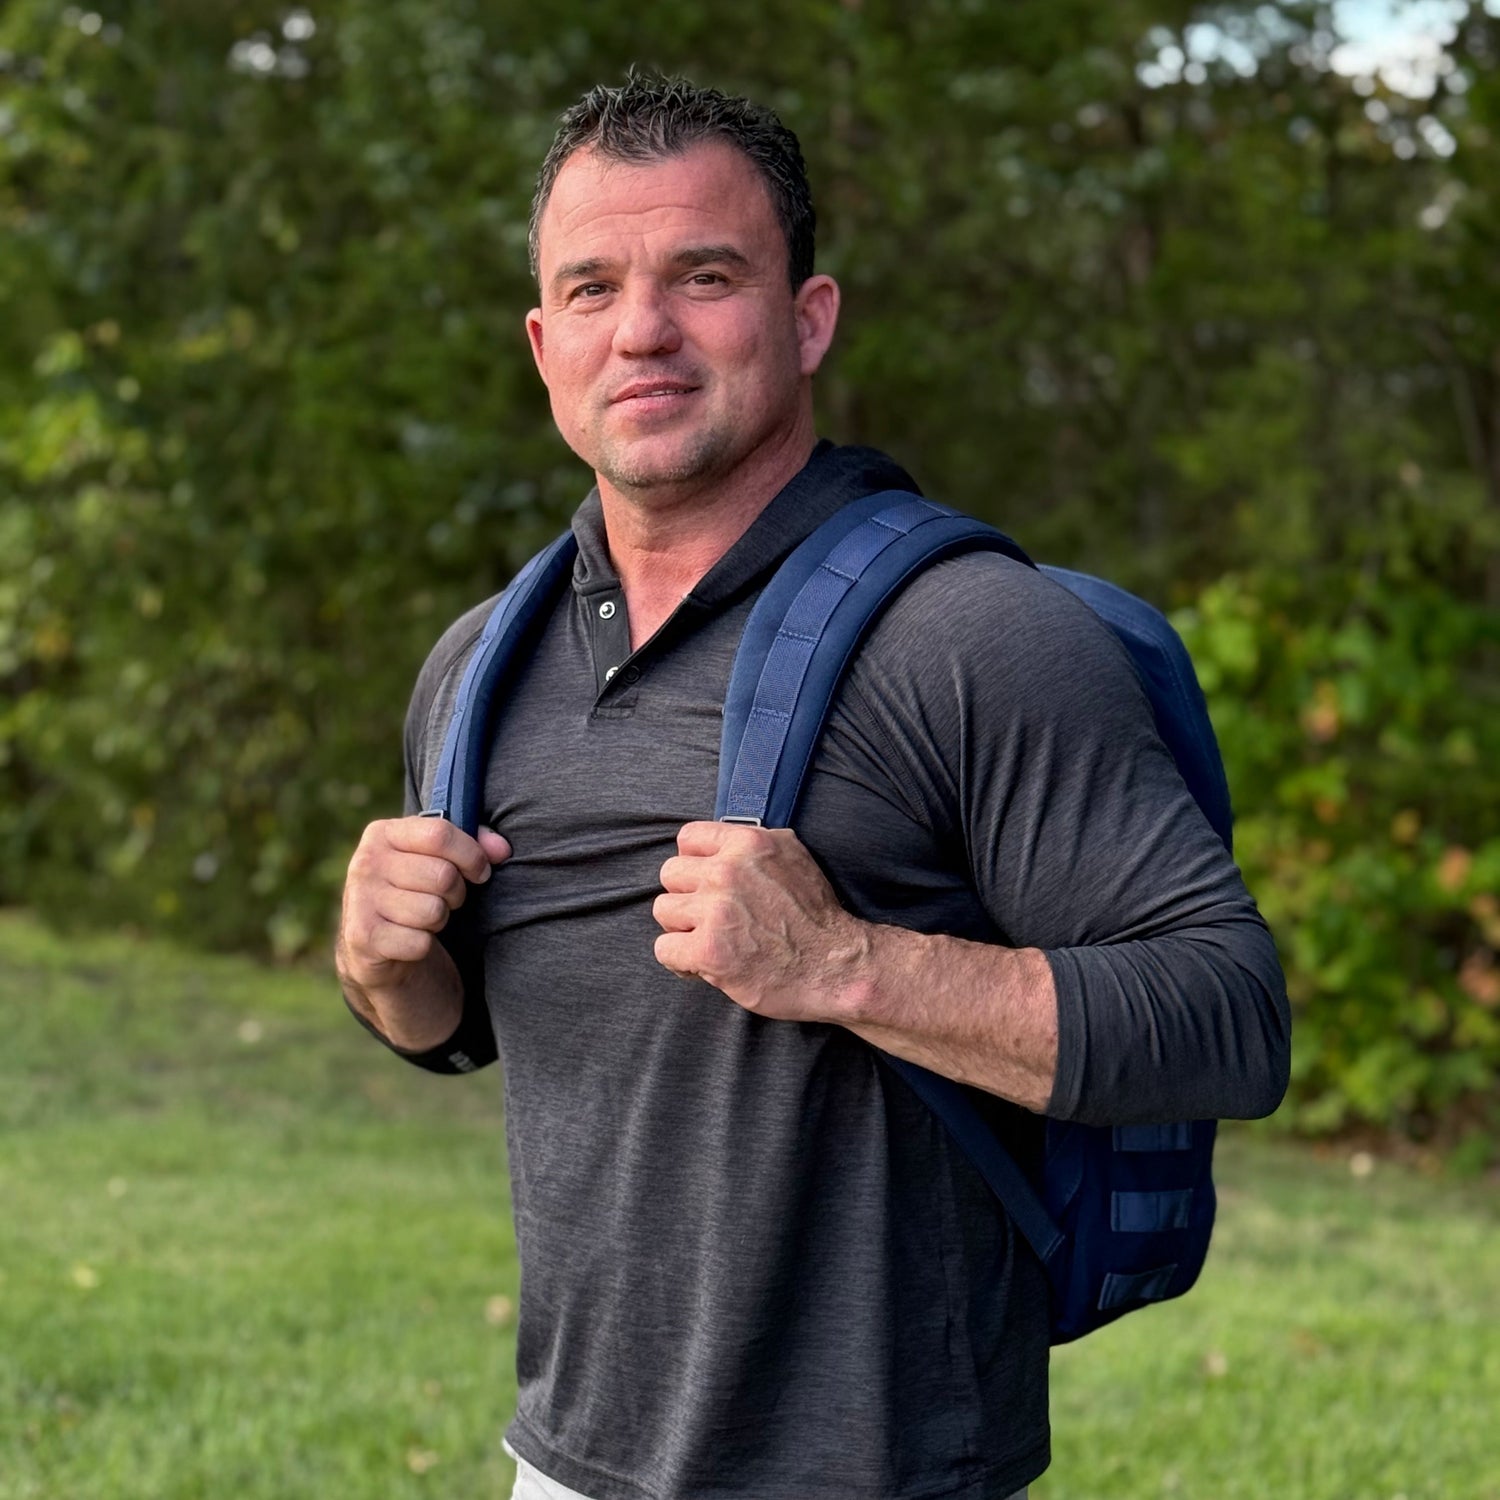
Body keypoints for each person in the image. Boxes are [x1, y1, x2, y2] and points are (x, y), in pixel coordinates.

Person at [336, 74, 1290, 1500]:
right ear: (545, 345)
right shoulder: (482, 663)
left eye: (703, 275)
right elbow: (463, 1026)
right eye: (592, 288)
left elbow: (1228, 1017)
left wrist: (848, 965)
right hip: (564, 1464)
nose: (642, 328)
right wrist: (378, 968)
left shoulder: (972, 636)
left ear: (809, 315)